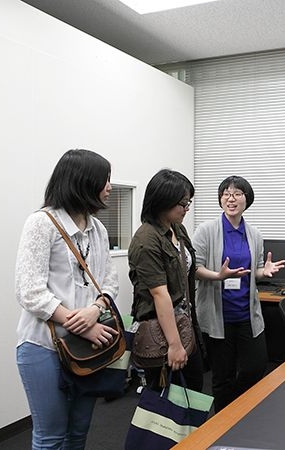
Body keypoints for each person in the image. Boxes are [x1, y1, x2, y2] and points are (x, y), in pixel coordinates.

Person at [15, 149, 119, 450]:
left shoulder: (97, 228)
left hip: (88, 346)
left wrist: (95, 309)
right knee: (50, 437)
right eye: (104, 179)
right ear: (83, 182)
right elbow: (29, 290)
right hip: (43, 346)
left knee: (78, 432)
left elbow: (109, 281)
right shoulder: (41, 223)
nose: (109, 187)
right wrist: (82, 325)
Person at [193, 175, 285, 412]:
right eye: (226, 194)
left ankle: (238, 408)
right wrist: (219, 276)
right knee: (222, 375)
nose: (231, 199)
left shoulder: (254, 234)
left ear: (247, 199)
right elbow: (194, 269)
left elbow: (253, 272)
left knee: (255, 366)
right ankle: (224, 420)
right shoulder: (206, 230)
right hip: (219, 315)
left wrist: (264, 272)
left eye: (237, 194)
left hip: (247, 314)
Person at [128, 169, 204, 392]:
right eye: (183, 204)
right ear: (164, 201)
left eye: (188, 203)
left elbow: (186, 270)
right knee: (166, 398)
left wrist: (220, 276)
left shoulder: (177, 229)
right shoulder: (146, 240)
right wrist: (174, 344)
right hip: (161, 331)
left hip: (184, 322)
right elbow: (159, 294)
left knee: (193, 390)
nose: (187, 209)